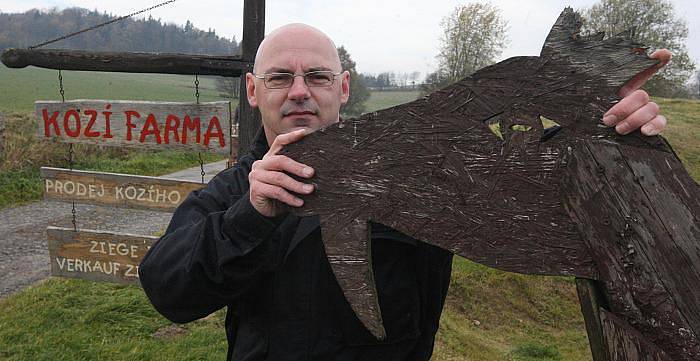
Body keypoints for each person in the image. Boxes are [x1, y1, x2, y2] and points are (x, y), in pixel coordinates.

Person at [139, 23, 671, 361]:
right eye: (281, 78)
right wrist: (250, 217)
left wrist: (610, 133)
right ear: (253, 92)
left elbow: (532, 181)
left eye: (317, 77)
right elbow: (169, 290)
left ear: (342, 88)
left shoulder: (421, 168)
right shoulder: (233, 192)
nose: (300, 91)